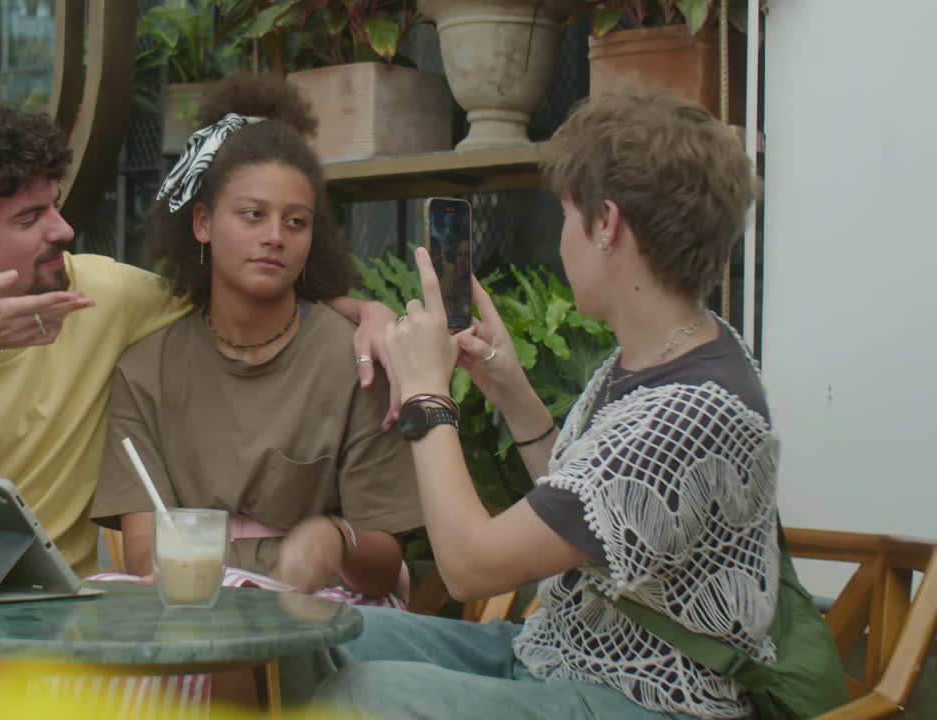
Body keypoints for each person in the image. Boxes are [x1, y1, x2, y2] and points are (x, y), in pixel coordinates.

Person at [316, 88, 772, 720]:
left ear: (606, 224)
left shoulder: (690, 409)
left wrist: (426, 393)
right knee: (320, 638)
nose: (562, 238)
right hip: (557, 657)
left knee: (360, 699)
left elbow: (471, 569)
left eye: (564, 215)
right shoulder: (668, 352)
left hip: (644, 698)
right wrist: (510, 388)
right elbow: (596, 511)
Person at [0, 104, 397, 577]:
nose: (63, 230)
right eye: (31, 218)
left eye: (55, 205)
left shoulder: (105, 295)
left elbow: (245, 288)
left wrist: (361, 310)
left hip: (53, 605)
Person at [90, 73, 422, 605]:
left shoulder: (356, 359)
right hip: (189, 607)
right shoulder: (145, 371)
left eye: (296, 221)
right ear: (202, 223)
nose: (274, 235)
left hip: (325, 611)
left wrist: (333, 542)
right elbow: (143, 557)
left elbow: (383, 566)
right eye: (252, 215)